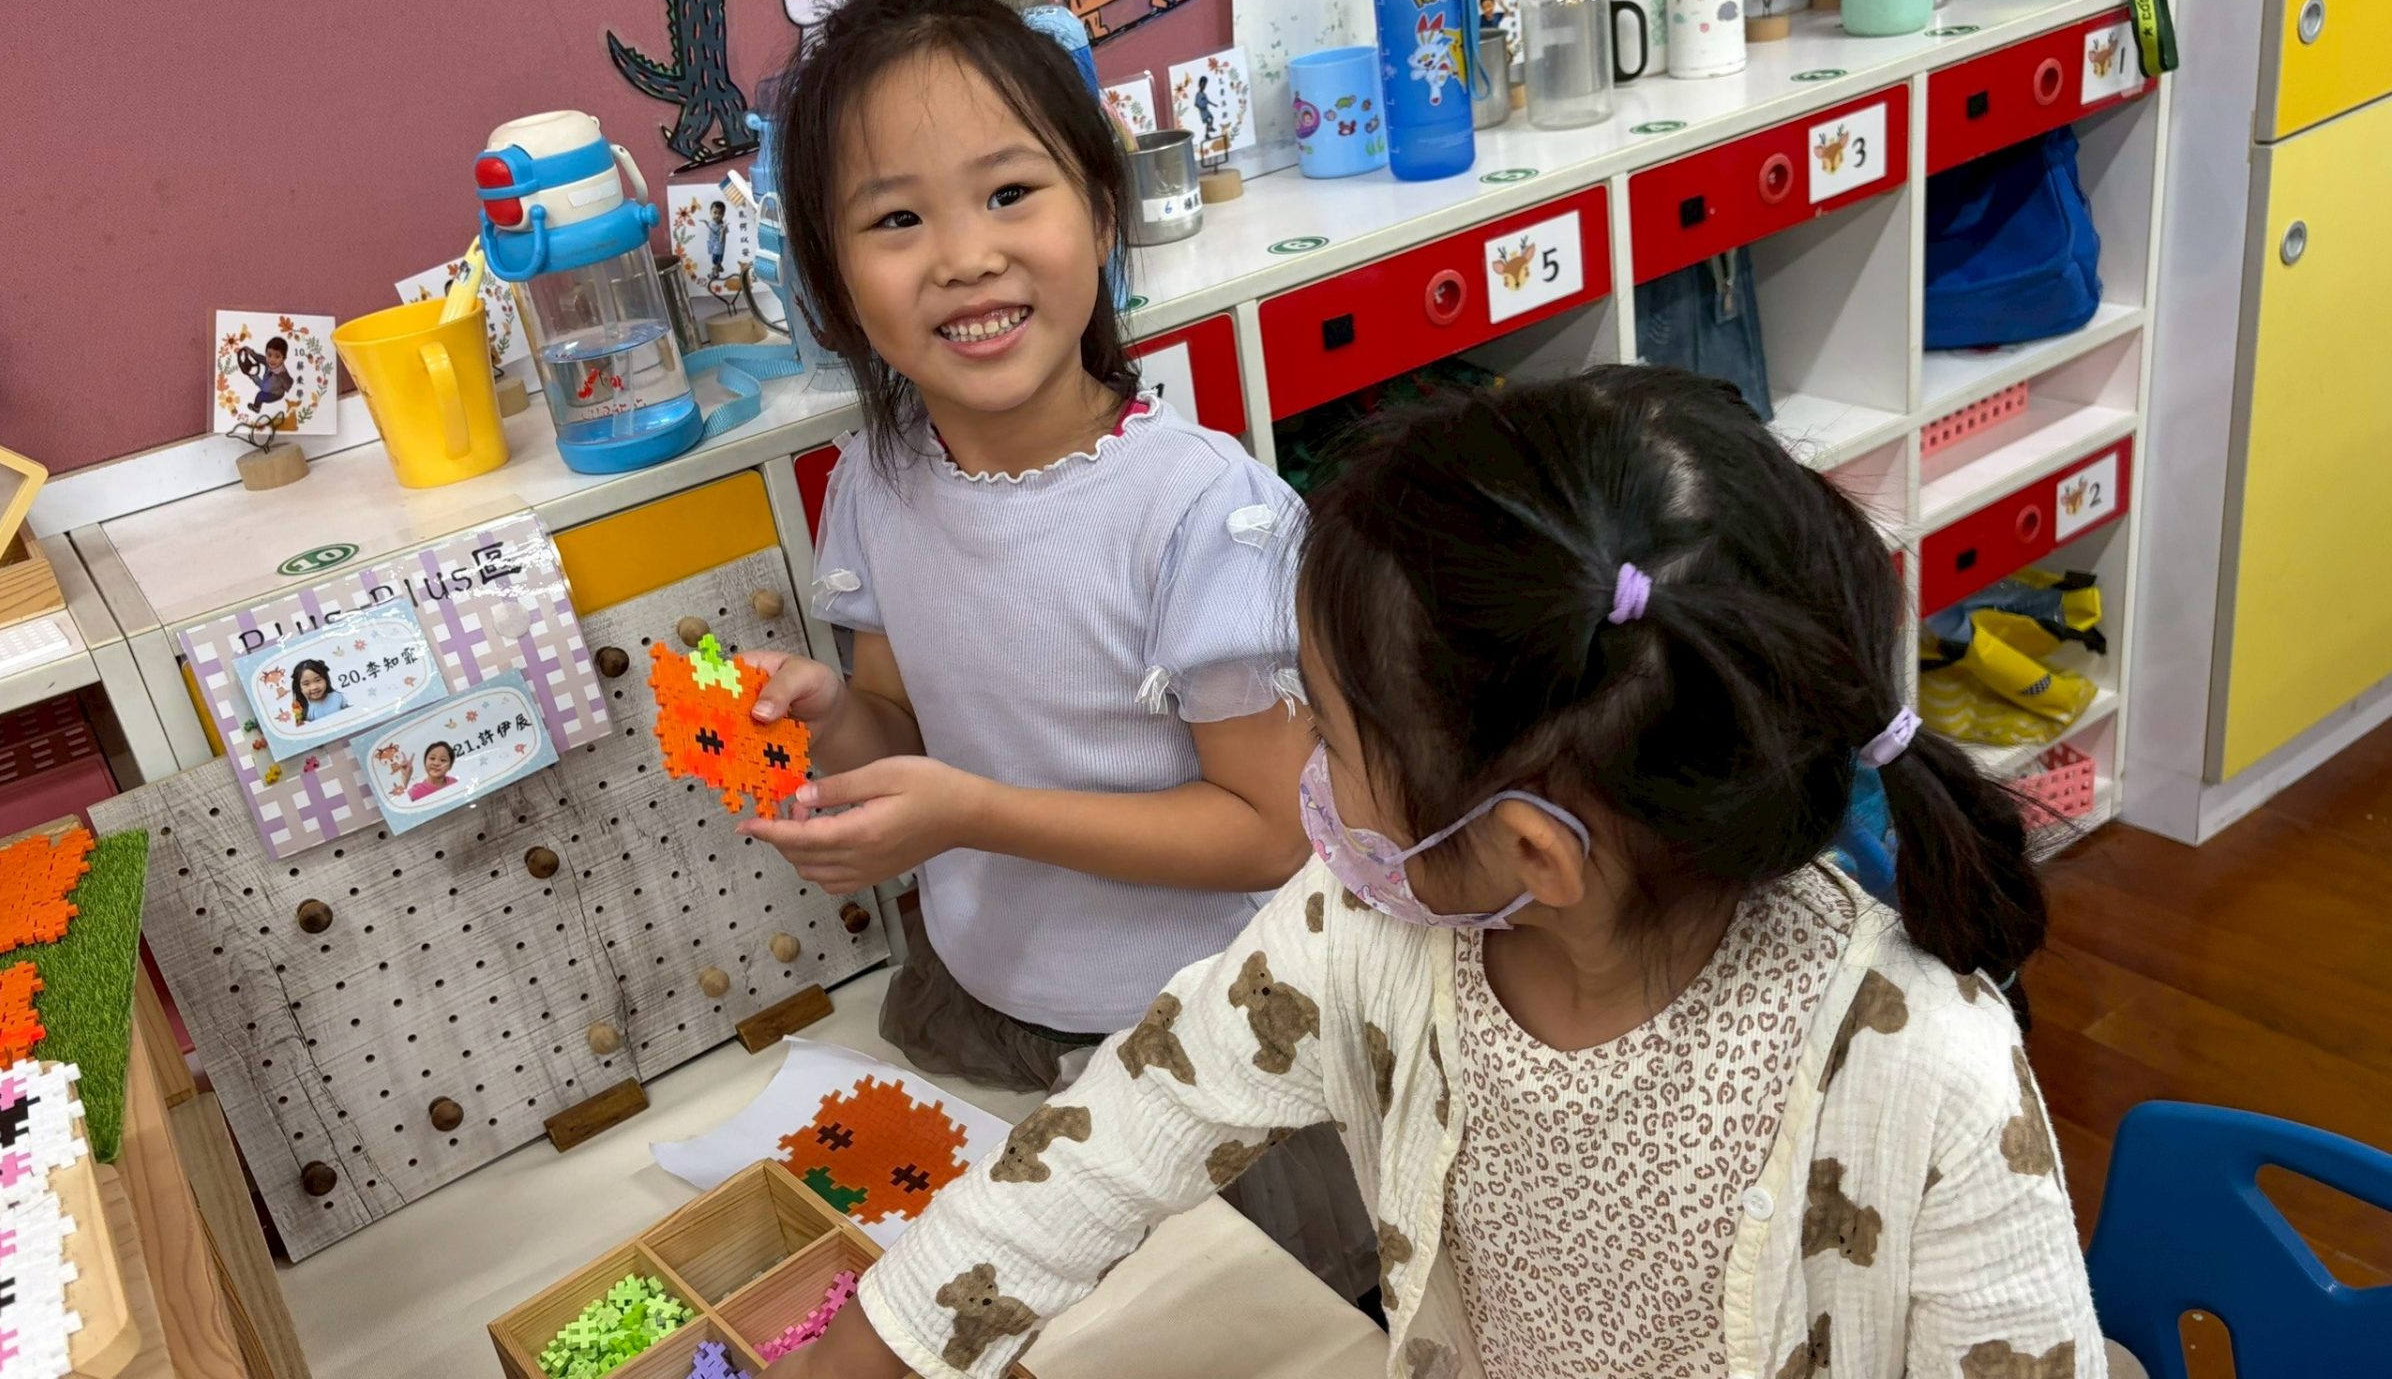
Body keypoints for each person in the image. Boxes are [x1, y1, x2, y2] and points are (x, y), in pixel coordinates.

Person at [771, 370, 2105, 1379]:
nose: (1304, 769)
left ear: (1531, 853)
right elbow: (1110, 1144)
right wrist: (873, 1344)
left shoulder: (1926, 1071)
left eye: (1331, 739)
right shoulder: (1357, 932)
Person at [737, 0, 1380, 1302]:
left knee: (1237, 1326)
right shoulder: (877, 480)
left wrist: (968, 813)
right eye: (897, 219)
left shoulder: (1201, 510)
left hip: (1201, 1044)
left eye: (1009, 193)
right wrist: (830, 721)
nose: (964, 256)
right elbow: (901, 725)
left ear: (1098, 209)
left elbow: (1269, 832)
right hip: (985, 997)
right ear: (833, 283)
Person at [236, 336, 295, 413]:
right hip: (269, 384)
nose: (272, 360)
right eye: (269, 355)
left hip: (275, 394)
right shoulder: (271, 363)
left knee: (260, 396)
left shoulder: (277, 377)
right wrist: (252, 353)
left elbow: (265, 388)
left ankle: (256, 408)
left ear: (284, 358)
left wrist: (255, 378)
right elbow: (262, 359)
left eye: (277, 356)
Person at [289, 659, 346, 726]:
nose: (314, 687)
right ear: (299, 687)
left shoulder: (337, 697)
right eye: (306, 684)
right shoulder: (306, 710)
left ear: (325, 679)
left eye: (318, 680)